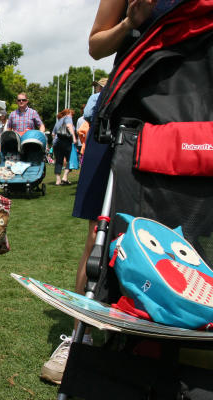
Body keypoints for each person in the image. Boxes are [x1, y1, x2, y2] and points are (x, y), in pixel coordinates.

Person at [40, 0, 163, 386]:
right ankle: (82, 335)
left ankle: (153, 342)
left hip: (186, 114)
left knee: (173, 231)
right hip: (126, 112)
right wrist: (130, 21)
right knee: (101, 231)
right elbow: (96, 45)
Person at [52, 109, 77, 186]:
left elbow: (53, 134)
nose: (72, 116)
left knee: (59, 161)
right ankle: (65, 177)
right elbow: (69, 126)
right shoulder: (68, 117)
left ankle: (58, 180)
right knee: (70, 159)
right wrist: (74, 137)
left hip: (57, 143)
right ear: (69, 113)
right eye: (72, 114)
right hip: (66, 142)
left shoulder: (58, 122)